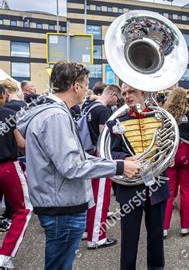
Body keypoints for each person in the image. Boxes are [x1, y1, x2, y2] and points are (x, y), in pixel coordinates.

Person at [16, 62, 140, 270]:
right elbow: (72, 167)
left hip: (59, 204)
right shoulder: (56, 116)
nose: (86, 90)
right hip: (62, 207)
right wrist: (118, 167)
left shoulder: (52, 111)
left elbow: (78, 156)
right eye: (84, 85)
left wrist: (117, 163)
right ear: (75, 86)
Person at [108, 82, 170, 269]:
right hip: (130, 188)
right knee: (129, 238)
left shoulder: (160, 118)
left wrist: (169, 156)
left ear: (142, 92)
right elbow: (110, 153)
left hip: (157, 185)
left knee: (157, 235)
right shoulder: (116, 122)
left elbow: (169, 144)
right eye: (124, 93)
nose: (126, 96)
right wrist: (126, 157)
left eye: (131, 92)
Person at [84, 84, 122, 249]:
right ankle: (96, 237)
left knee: (91, 197)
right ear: (112, 94)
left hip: (90, 154)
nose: (116, 101)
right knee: (100, 198)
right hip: (100, 156)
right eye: (117, 98)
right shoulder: (104, 111)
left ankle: (88, 231)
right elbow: (104, 136)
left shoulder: (90, 107)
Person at [163, 88, 189, 237]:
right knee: (186, 189)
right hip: (187, 153)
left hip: (170, 153)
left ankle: (164, 228)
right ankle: (185, 227)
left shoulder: (165, 113)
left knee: (168, 191)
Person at [0, 85, 29, 270]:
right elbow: (21, 144)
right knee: (23, 210)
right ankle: (4, 256)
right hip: (7, 167)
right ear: (2, 95)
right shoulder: (9, 114)